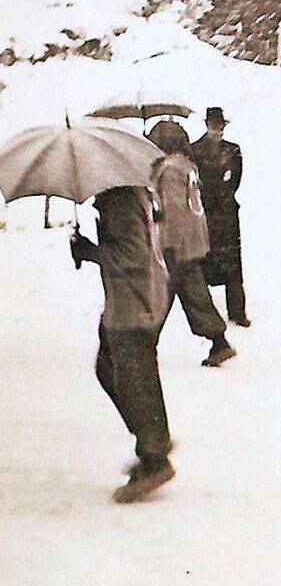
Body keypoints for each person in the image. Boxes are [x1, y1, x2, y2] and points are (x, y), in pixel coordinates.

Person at [70, 186, 175, 503]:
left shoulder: (121, 201)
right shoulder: (126, 196)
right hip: (129, 302)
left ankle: (155, 456)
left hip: (135, 305)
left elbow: (133, 255)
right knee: (112, 369)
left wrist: (90, 251)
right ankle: (153, 440)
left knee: (134, 379)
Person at [148, 120, 236, 368]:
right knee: (192, 292)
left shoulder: (169, 169)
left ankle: (145, 342)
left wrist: (162, 224)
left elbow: (174, 209)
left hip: (177, 242)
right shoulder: (186, 165)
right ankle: (219, 342)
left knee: (161, 294)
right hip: (192, 241)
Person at [192, 107, 250, 327]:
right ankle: (206, 312)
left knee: (233, 263)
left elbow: (236, 180)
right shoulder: (195, 150)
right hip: (206, 212)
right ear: (207, 126)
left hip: (226, 212)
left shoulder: (233, 150)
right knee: (204, 261)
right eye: (214, 126)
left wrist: (223, 192)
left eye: (221, 127)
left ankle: (237, 311)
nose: (218, 131)